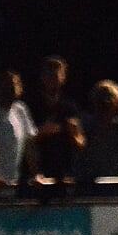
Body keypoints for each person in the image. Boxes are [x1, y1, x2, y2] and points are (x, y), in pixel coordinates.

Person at [27, 56, 84, 191]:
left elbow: (81, 143)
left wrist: (74, 135)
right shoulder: (32, 106)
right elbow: (25, 141)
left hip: (64, 177)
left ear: (63, 77)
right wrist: (41, 132)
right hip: (38, 177)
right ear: (42, 77)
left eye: (57, 73)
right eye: (49, 73)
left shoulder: (69, 108)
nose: (53, 77)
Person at [0, 69, 36, 190]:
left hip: (13, 184)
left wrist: (35, 174)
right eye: (5, 85)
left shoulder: (21, 110)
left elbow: (30, 146)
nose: (9, 89)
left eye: (13, 85)